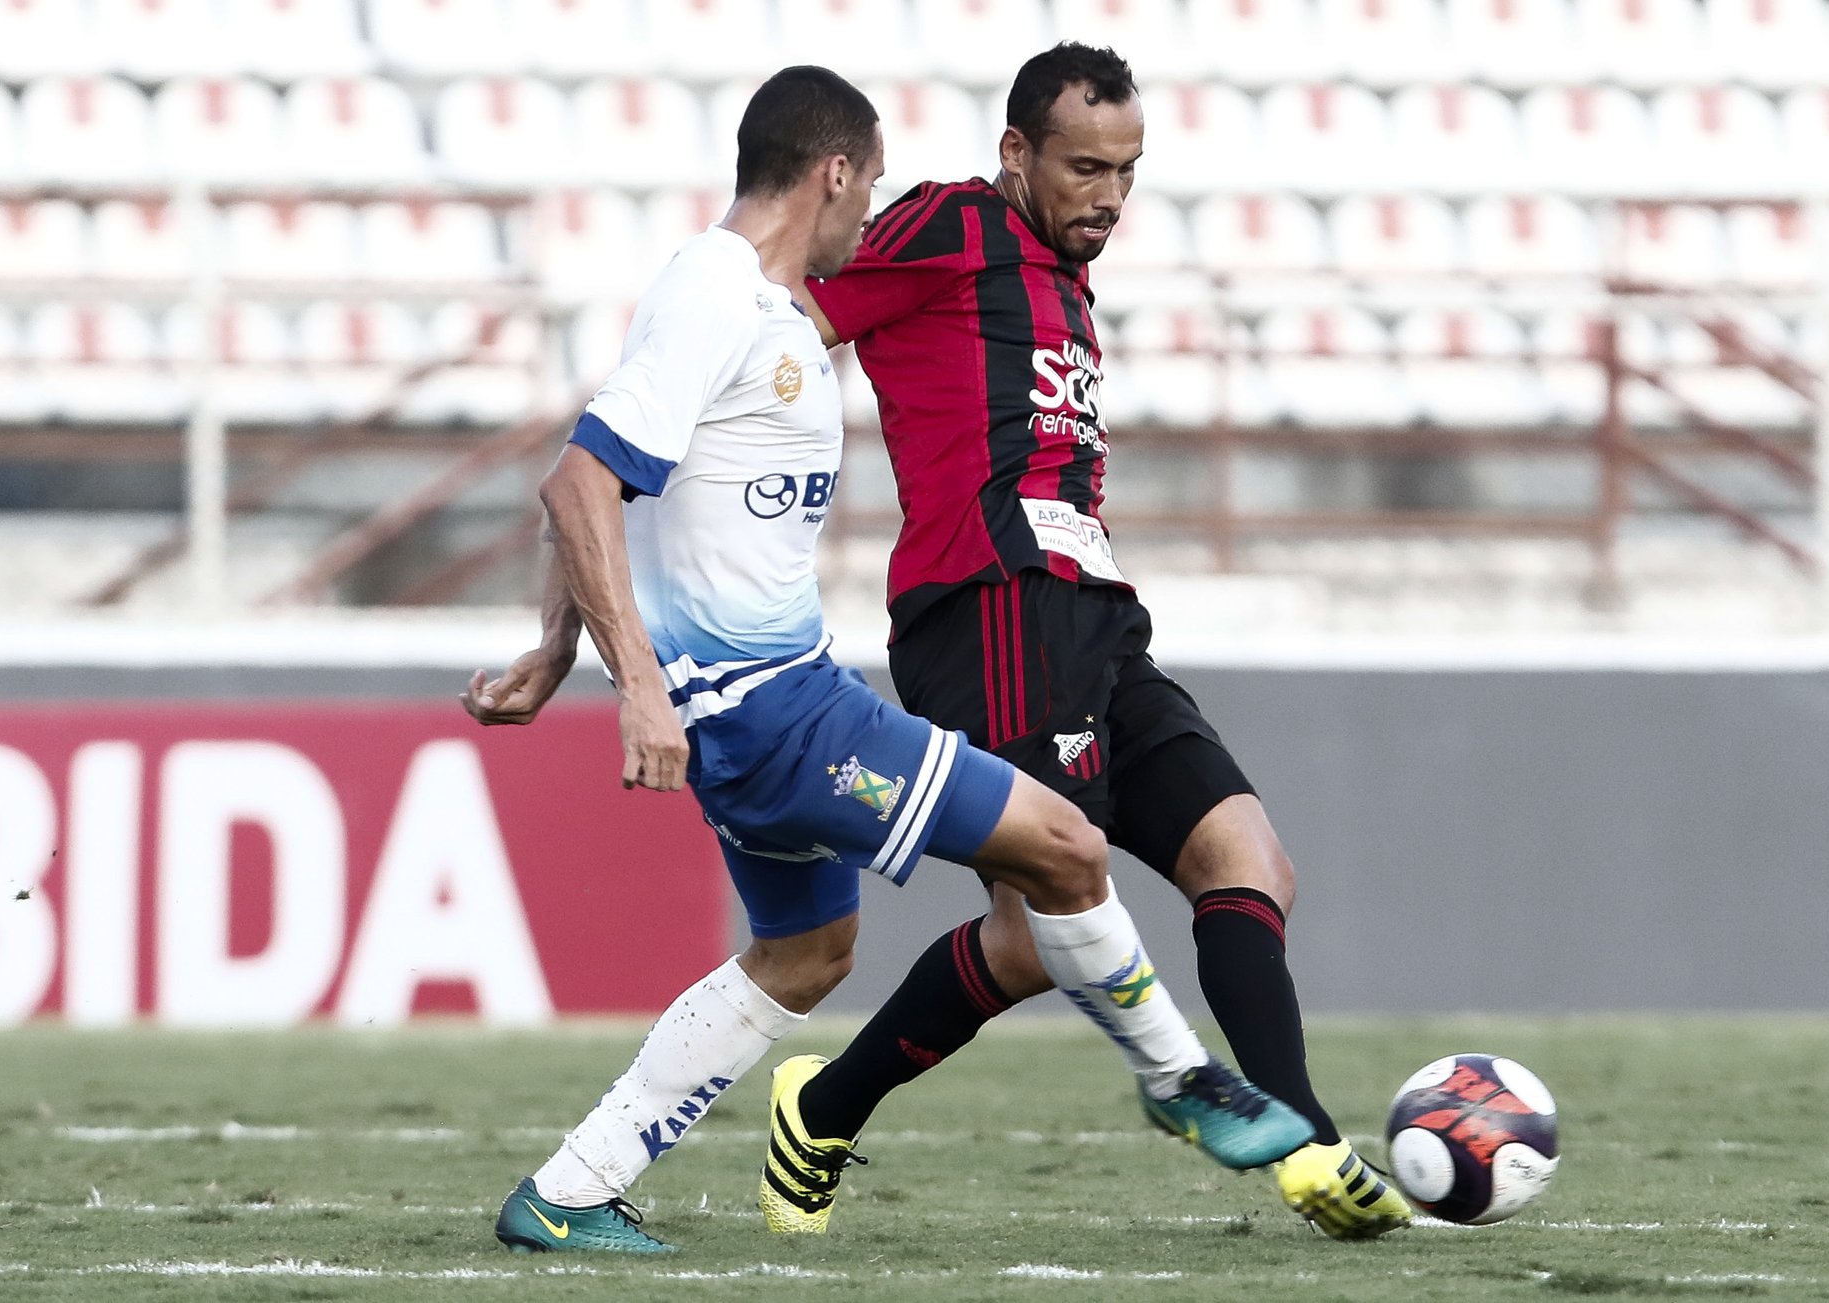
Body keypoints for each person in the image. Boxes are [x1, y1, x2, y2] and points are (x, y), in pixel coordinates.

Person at [460, 64, 1311, 1255]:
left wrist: (559, 648)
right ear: (835, 172)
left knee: (807, 953)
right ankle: (1181, 1078)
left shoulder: (749, 304)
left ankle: (571, 1187)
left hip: (764, 700)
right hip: (770, 711)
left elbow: (602, 469)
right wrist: (634, 688)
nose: (875, 222)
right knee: (1064, 848)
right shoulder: (717, 292)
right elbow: (580, 482)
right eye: (868, 191)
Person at [763, 44, 1414, 1241]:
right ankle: (1305, 1150)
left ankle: (830, 1106)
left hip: (1097, 612)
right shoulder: (952, 226)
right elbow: (790, 304)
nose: (1107, 196)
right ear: (1016, 154)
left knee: (1246, 859)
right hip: (990, 606)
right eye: (1082, 168)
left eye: (1125, 171)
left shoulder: (1063, 279)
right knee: (1034, 929)